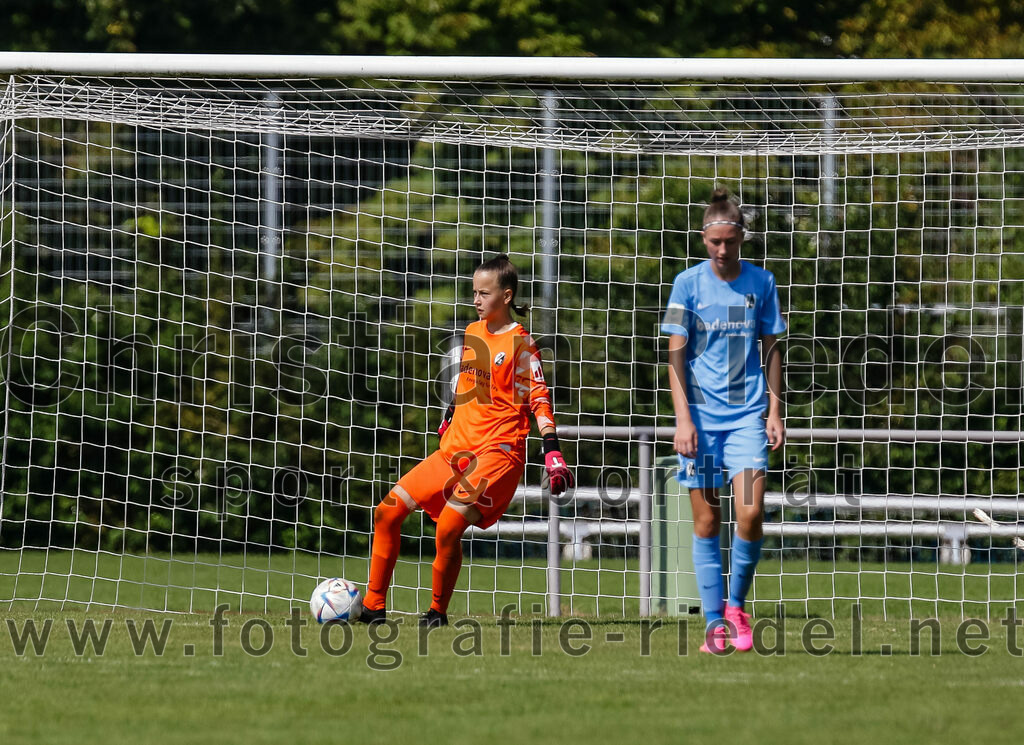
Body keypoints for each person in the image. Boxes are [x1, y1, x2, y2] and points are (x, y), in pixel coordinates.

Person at [359, 254, 574, 627]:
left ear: (506, 296)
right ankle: (373, 606)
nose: (476, 299)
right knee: (387, 512)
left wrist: (552, 451)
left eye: (484, 293)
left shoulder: (523, 345)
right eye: (474, 292)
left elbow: (539, 399)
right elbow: (467, 383)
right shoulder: (474, 332)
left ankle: (436, 613)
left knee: (447, 526)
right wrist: (448, 418)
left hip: (498, 455)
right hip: (454, 450)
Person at [661, 188, 786, 654]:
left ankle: (736, 606)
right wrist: (683, 421)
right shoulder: (686, 284)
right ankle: (715, 626)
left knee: (751, 512)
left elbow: (773, 350)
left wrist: (774, 410)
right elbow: (674, 357)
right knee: (707, 521)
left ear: (740, 239)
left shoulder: (762, 282)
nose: (722, 250)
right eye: (714, 241)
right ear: (703, 239)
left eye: (730, 242)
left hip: (747, 418)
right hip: (700, 421)